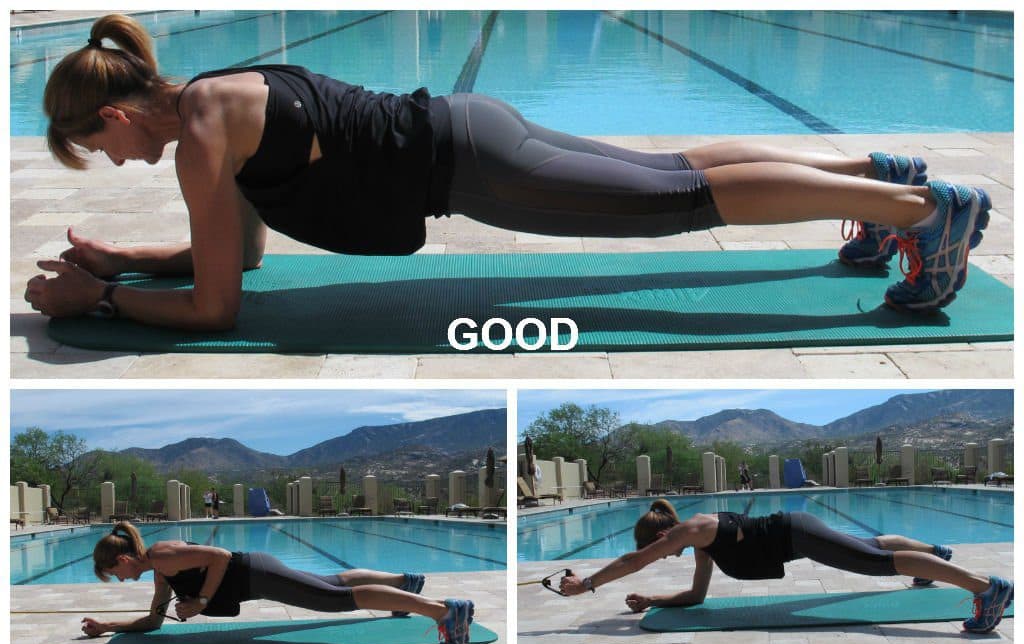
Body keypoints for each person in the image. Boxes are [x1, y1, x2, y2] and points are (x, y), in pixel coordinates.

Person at [25, 15, 991, 330]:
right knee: (674, 165)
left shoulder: (196, 141)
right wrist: (119, 261)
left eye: (97, 146)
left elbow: (218, 306)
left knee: (680, 201)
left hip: (475, 169)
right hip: (470, 123)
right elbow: (239, 252)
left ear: (116, 113)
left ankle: (921, 208)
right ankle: (876, 171)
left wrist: (97, 307)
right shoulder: (216, 96)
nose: (109, 160)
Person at [559, 499, 1013, 634]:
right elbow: (698, 597)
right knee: (871, 545)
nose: (662, 555)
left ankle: (984, 588)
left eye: (658, 548)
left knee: (876, 564)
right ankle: (931, 558)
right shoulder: (700, 544)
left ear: (661, 536)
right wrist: (652, 600)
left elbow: (634, 560)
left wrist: (588, 584)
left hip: (800, 534)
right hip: (801, 536)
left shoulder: (691, 530)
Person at [82, 522, 474, 644]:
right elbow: (154, 622)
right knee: (334, 581)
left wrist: (201, 601)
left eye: (112, 573)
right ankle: (406, 584)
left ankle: (443, 611)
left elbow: (219, 555)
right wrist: (107, 627)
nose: (118, 579)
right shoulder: (159, 570)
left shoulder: (162, 556)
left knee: (337, 601)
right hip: (259, 573)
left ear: (121, 560)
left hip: (258, 574)